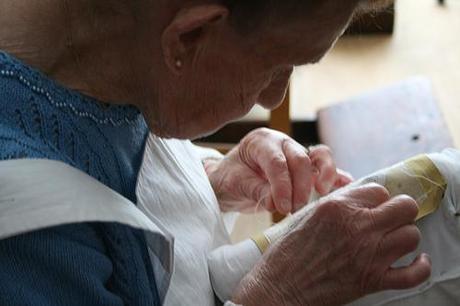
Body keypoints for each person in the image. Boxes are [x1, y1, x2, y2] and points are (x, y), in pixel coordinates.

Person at [0, 0, 433, 305]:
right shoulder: (24, 249)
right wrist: (282, 295)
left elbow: (104, 178)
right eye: (278, 65)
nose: (274, 96)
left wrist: (204, 183)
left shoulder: (104, 55)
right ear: (188, 36)